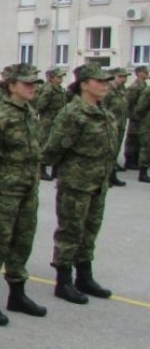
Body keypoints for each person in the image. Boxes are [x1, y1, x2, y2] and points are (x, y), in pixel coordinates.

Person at [0, 63, 48, 325]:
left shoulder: (29, 113)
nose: (32, 88)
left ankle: (17, 293)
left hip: (27, 188)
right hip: (3, 189)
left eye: (34, 83)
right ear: (11, 85)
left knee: (23, 240)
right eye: (26, 83)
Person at [43, 63, 120, 304]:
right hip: (76, 182)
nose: (104, 84)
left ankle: (84, 276)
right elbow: (54, 149)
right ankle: (63, 281)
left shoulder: (103, 112)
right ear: (84, 84)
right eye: (99, 81)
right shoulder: (73, 114)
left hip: (98, 181)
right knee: (70, 231)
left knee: (89, 231)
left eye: (106, 81)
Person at [35, 67, 69, 180]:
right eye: (58, 77)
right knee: (45, 145)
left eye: (61, 77)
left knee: (57, 144)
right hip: (48, 121)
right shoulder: (48, 90)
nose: (61, 79)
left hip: (58, 121)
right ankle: (41, 170)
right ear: (51, 78)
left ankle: (56, 170)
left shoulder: (59, 88)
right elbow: (40, 105)